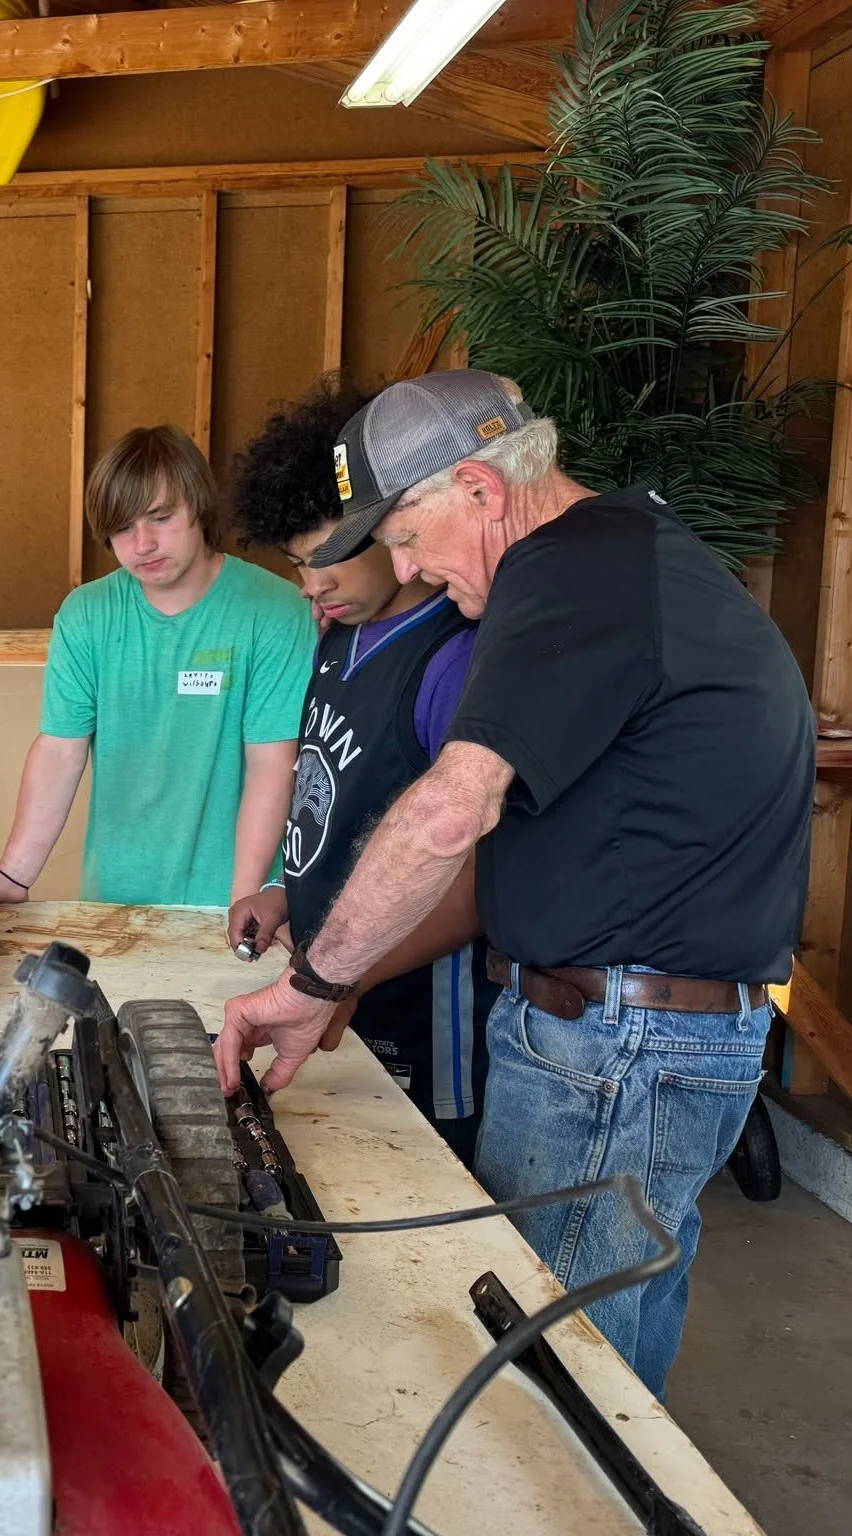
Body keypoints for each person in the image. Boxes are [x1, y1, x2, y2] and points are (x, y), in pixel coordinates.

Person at [214, 370, 812, 1394]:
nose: (401, 565)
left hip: (616, 1044)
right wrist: (341, 976)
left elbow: (452, 809)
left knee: (549, 1389)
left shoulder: (569, 574)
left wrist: (309, 984)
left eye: (403, 533)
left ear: (480, 490)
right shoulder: (621, 561)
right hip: (640, 1031)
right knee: (611, 1372)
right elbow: (520, 843)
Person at [226, 380, 496, 1166]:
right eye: (298, 566)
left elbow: (477, 879)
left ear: (395, 528)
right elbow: (341, 806)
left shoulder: (453, 659)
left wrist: (336, 974)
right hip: (331, 993)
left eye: (331, 560)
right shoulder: (339, 634)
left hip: (421, 1015)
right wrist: (288, 893)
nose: (314, 586)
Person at [0, 423, 314, 909]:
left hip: (237, 896)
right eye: (123, 527)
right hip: (115, 901)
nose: (143, 543)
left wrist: (245, 901)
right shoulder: (87, 614)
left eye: (160, 517)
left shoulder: (275, 611)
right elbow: (60, 751)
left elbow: (272, 765)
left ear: (198, 505)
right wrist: (12, 877)